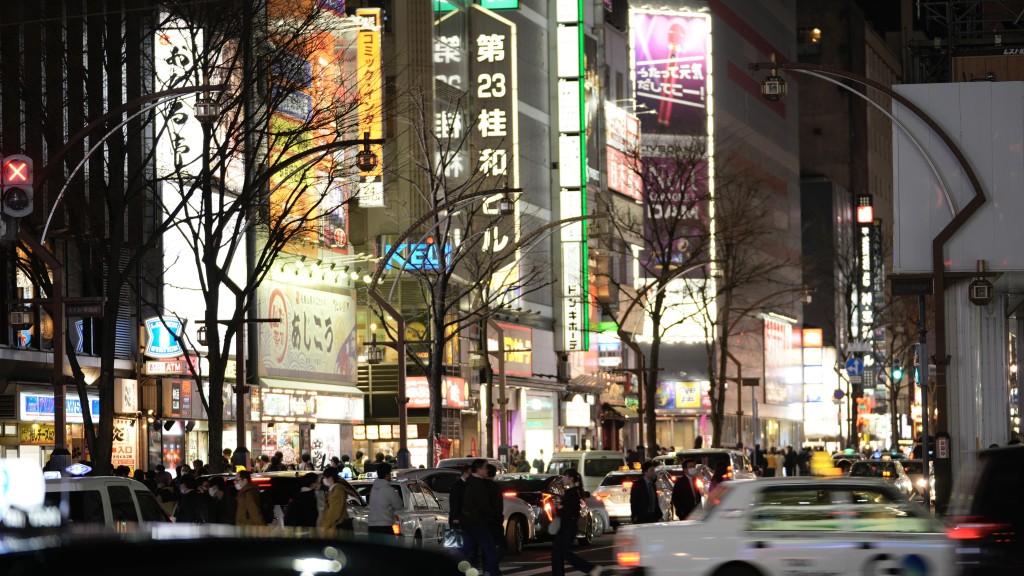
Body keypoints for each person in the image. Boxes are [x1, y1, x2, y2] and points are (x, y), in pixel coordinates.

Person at [551, 469, 599, 576]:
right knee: (557, 554)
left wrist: (559, 507)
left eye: (565, 477)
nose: (563, 479)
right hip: (565, 527)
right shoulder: (571, 492)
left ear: (571, 478)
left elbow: (569, 512)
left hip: (568, 527)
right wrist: (561, 507)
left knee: (565, 554)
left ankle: (591, 568)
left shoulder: (572, 493)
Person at [459, 459, 501, 576]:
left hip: (471, 521)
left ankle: (452, 566)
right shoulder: (477, 484)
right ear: (479, 469)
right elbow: (483, 504)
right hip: (477, 521)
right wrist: (491, 514)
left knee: (466, 549)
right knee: (489, 549)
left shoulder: (470, 482)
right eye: (485, 467)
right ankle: (494, 573)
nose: (487, 470)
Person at [367, 462, 403, 539]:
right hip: (385, 527)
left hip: (372, 528)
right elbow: (399, 505)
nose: (390, 476)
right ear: (387, 475)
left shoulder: (373, 488)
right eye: (390, 474)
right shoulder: (389, 490)